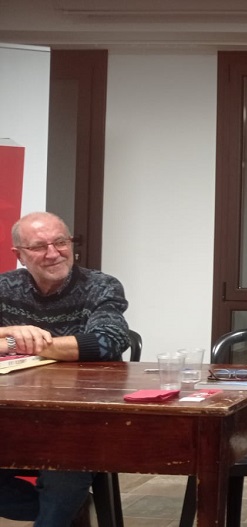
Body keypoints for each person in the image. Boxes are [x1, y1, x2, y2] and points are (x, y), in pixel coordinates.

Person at [0, 211, 130, 525]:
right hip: (12, 416)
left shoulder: (100, 286)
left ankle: (60, 509)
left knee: (65, 470)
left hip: (78, 420)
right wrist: (5, 334)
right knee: (60, 497)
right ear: (19, 255)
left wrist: (31, 342)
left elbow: (109, 341)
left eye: (60, 242)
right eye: (39, 246)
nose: (53, 253)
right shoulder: (4, 287)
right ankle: (67, 509)